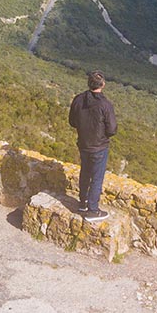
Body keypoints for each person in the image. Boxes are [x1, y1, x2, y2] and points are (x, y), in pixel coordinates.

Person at [67, 70, 117, 222]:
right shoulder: (105, 105)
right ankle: (93, 210)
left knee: (85, 173)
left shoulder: (78, 99)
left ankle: (82, 203)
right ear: (103, 85)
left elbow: (72, 122)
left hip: (83, 144)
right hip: (99, 146)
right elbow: (112, 129)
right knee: (96, 177)